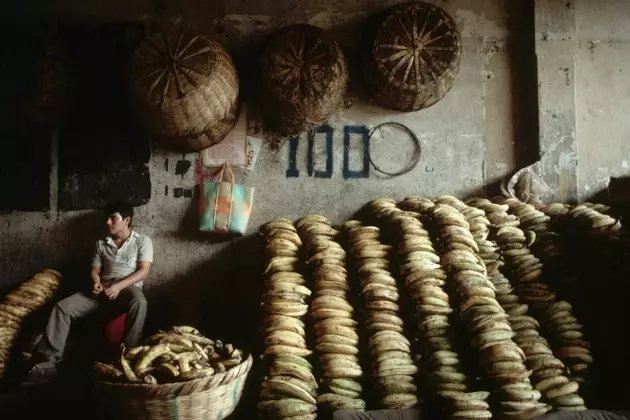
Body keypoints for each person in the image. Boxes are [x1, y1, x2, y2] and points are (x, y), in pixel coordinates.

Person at [26, 201, 152, 382]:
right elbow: (95, 269)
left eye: (113, 218)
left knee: (140, 302)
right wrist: (96, 282)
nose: (108, 222)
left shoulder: (142, 241)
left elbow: (143, 271)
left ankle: (128, 359)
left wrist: (118, 287)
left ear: (127, 220)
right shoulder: (101, 244)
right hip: (103, 289)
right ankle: (48, 364)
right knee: (63, 307)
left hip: (127, 289)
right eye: (106, 218)